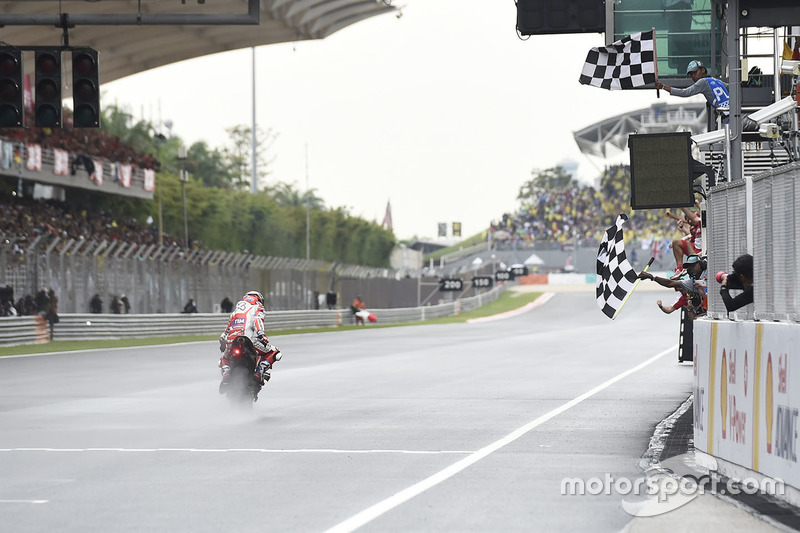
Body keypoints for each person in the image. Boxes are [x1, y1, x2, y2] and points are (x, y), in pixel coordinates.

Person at [217, 290, 282, 394]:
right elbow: (257, 320)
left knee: (224, 357)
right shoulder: (258, 307)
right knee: (274, 352)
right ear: (259, 300)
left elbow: (227, 329)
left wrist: (223, 342)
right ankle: (259, 373)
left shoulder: (236, 311)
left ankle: (226, 372)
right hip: (250, 339)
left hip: (232, 340)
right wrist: (262, 335)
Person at [656, 60, 730, 120]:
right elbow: (731, 88)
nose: (693, 76)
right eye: (691, 74)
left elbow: (685, 92)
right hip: (733, 111)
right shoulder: (716, 80)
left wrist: (663, 86)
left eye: (695, 72)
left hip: (727, 117)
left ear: (703, 70)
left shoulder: (702, 82)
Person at [639, 254, 708, 318]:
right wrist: (652, 277)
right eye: (689, 267)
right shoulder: (692, 283)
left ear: (702, 264)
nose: (691, 269)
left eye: (693, 265)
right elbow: (670, 283)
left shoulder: (710, 272)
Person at [666, 207, 702, 278]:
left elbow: (693, 219)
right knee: (676, 242)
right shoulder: (694, 228)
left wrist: (673, 215)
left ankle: (688, 267)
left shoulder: (702, 224)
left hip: (702, 252)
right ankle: (680, 269)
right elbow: (689, 235)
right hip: (695, 250)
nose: (691, 227)